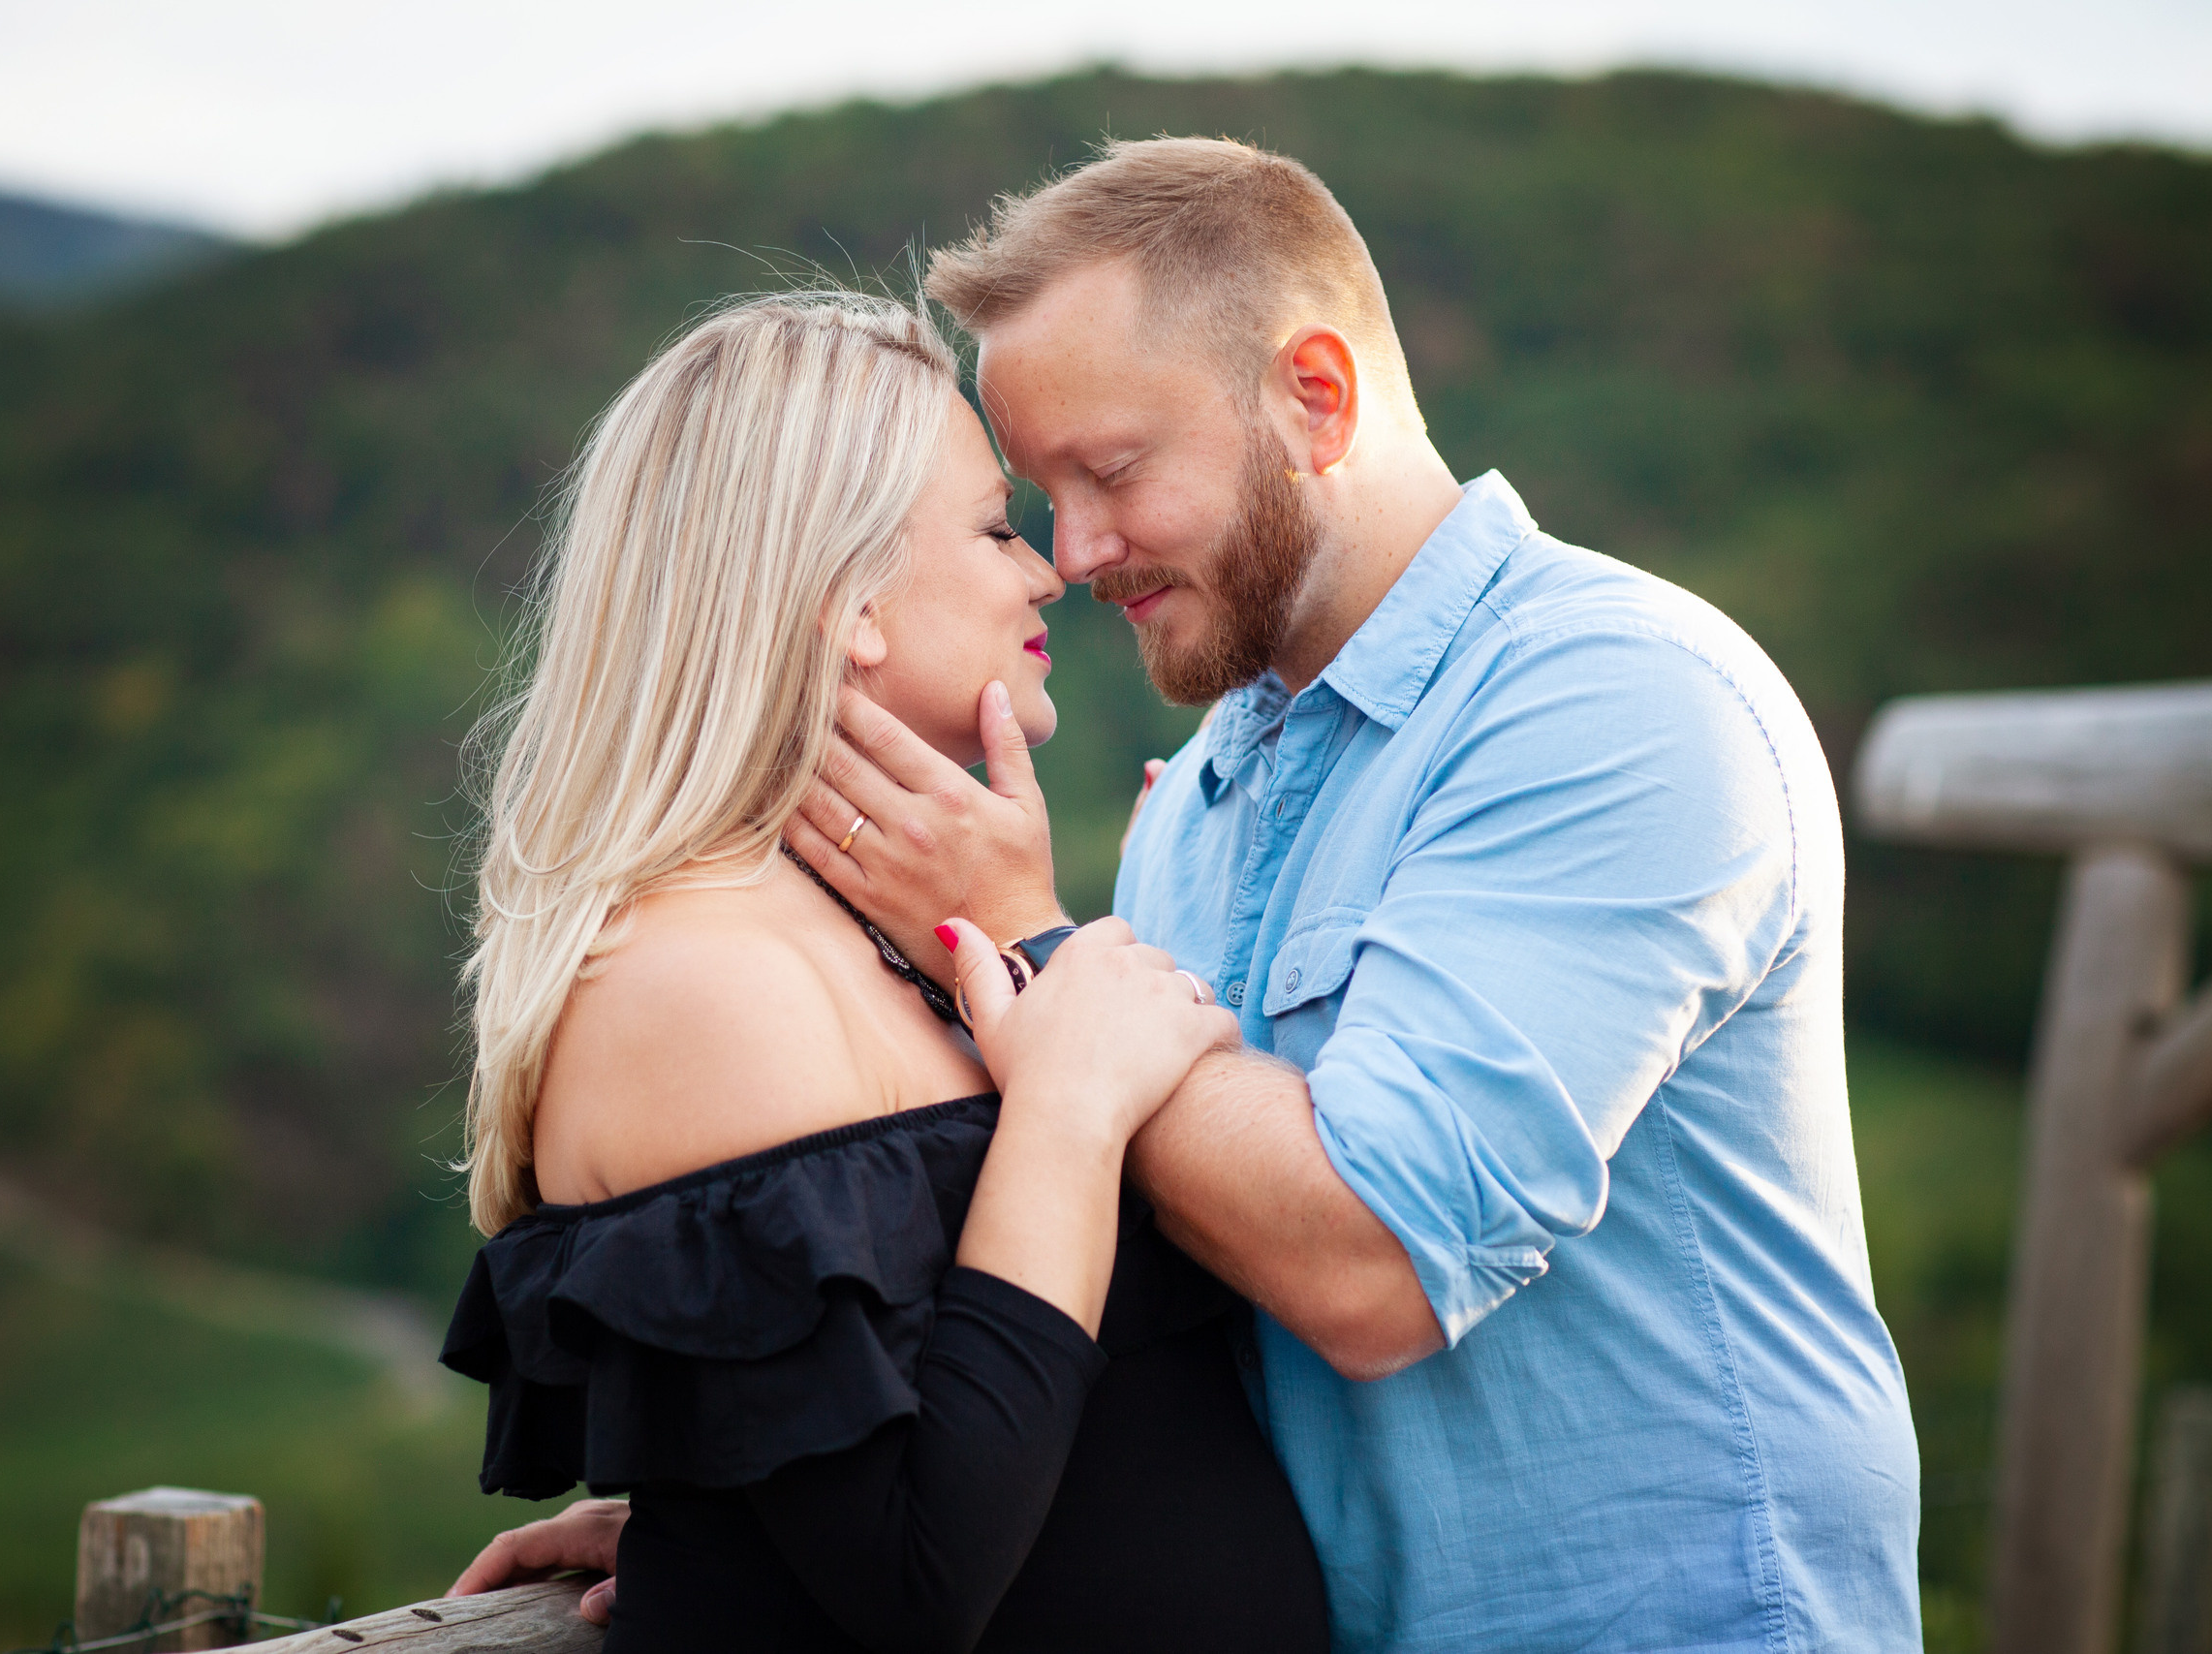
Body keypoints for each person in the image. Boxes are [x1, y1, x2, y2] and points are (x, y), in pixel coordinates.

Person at [769, 140, 1924, 1650]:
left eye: (1111, 472)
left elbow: (1371, 1261)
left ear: (1316, 395)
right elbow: (1167, 1290)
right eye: (1041, 496)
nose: (1076, 553)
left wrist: (1040, 944)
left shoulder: (1620, 701)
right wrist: (778, 1508)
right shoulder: (1201, 801)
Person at [434, 291, 1332, 1653]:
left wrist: (739, 1505)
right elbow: (920, 1584)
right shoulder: (698, 985)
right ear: (845, 604)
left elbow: (945, 1431)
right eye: (992, 527)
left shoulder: (872, 940)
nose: (1047, 571)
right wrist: (1073, 1108)